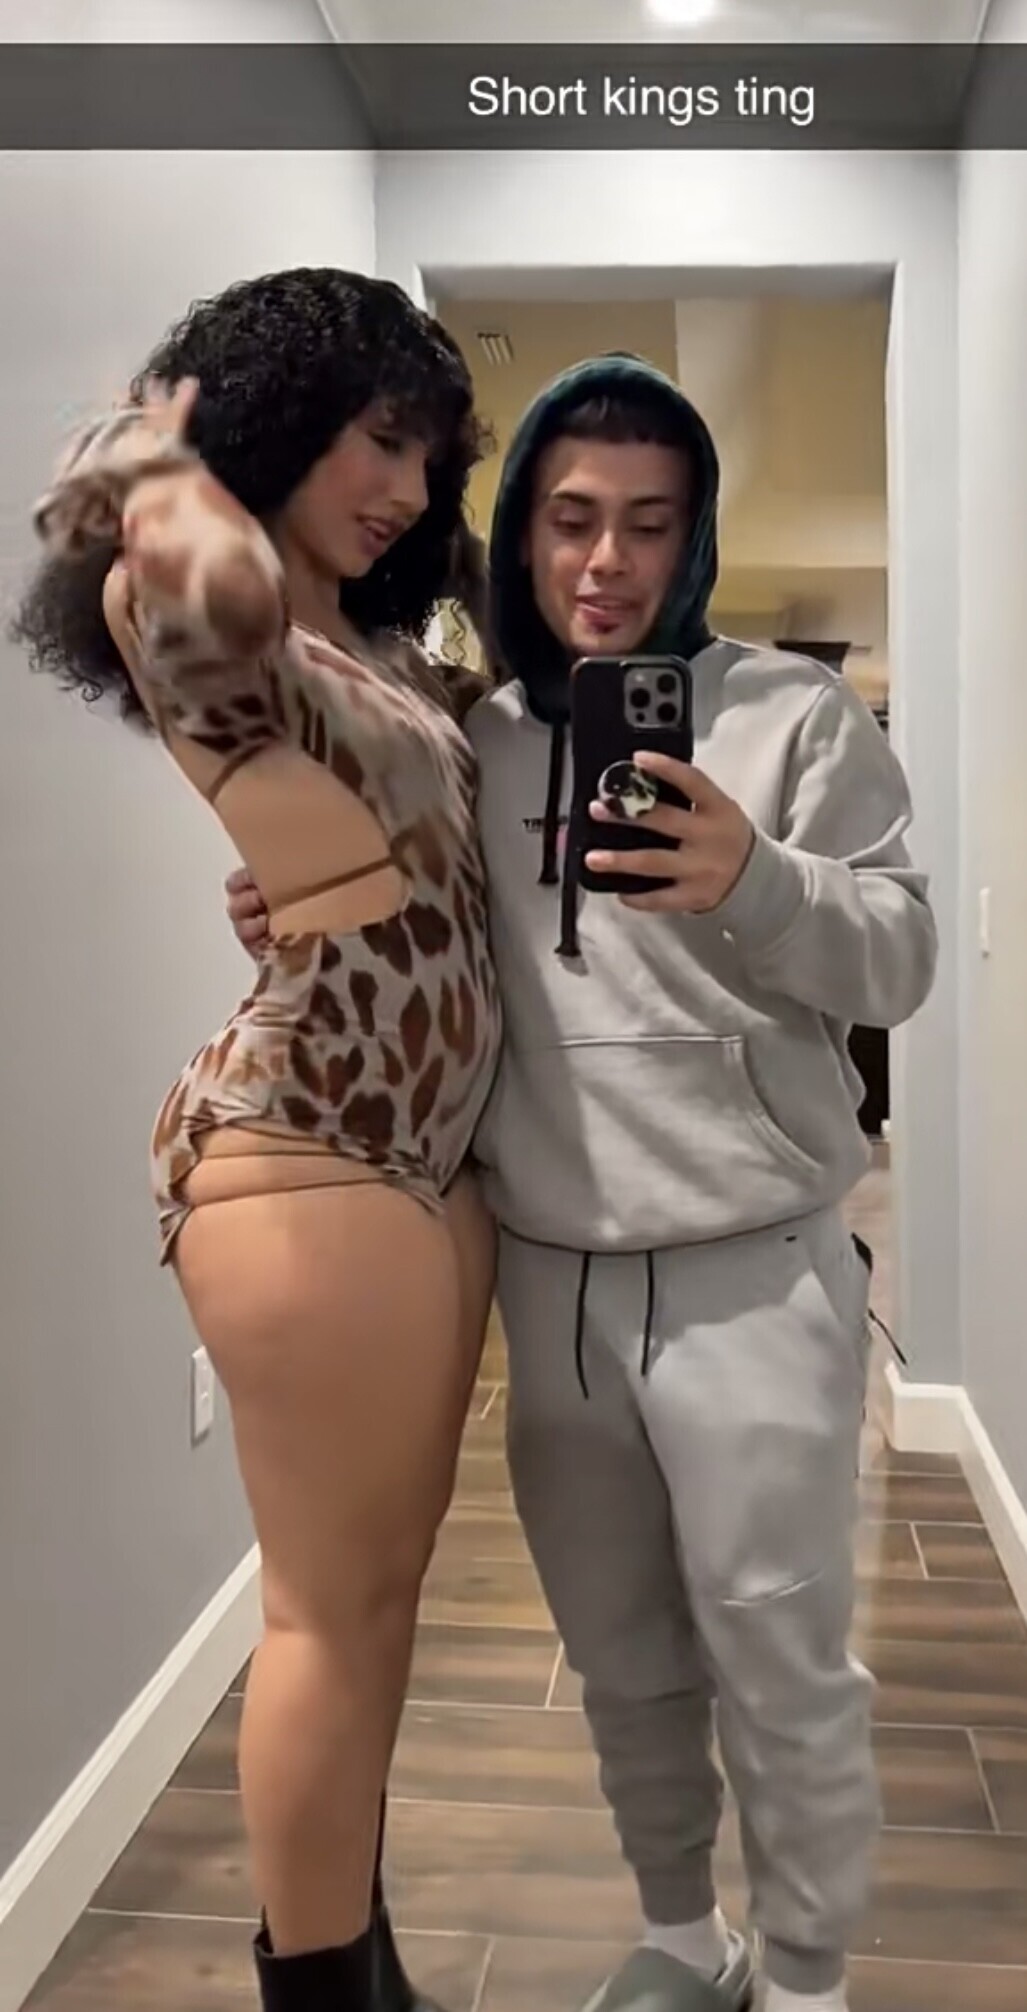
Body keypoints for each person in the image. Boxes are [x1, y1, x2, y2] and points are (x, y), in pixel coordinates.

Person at [225, 351, 938, 2012]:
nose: (605, 561)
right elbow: (398, 922)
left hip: (755, 1269)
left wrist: (756, 879)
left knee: (783, 1663)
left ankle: (809, 1980)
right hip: (548, 1278)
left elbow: (902, 956)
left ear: (694, 537)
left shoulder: (794, 717)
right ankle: (686, 1940)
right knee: (621, 1657)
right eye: (569, 520)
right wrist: (288, 902)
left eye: (647, 523)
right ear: (524, 533)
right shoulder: (471, 737)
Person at [15, 267, 502, 2012]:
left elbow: (424, 848)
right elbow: (186, 591)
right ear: (277, 418)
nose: (406, 490)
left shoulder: (367, 646)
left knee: (376, 1607)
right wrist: (156, 462)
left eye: (431, 460)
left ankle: (361, 1962)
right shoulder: (200, 594)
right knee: (323, 1614)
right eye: (381, 439)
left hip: (417, 1159)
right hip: (308, 1143)